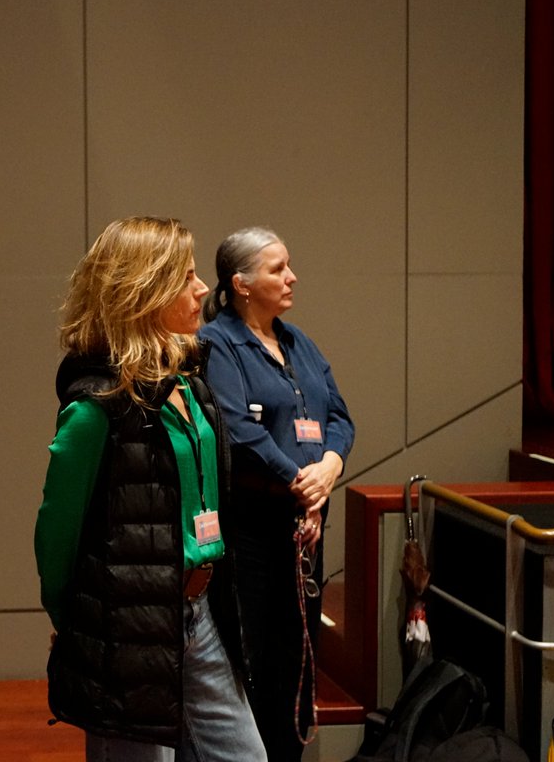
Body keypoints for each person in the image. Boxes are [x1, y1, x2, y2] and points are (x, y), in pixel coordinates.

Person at [35, 216, 267, 762]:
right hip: (128, 626)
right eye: (186, 277)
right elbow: (57, 535)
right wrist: (75, 625)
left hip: (201, 613)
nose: (202, 288)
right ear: (145, 291)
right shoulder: (96, 408)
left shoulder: (191, 380)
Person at [198, 227, 355, 762]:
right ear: (241, 284)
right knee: (256, 662)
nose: (291, 277)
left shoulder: (298, 341)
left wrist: (330, 467)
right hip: (255, 533)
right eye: (277, 269)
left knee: (299, 660)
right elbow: (238, 428)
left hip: (306, 529)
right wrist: (300, 480)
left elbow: (338, 415)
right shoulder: (219, 343)